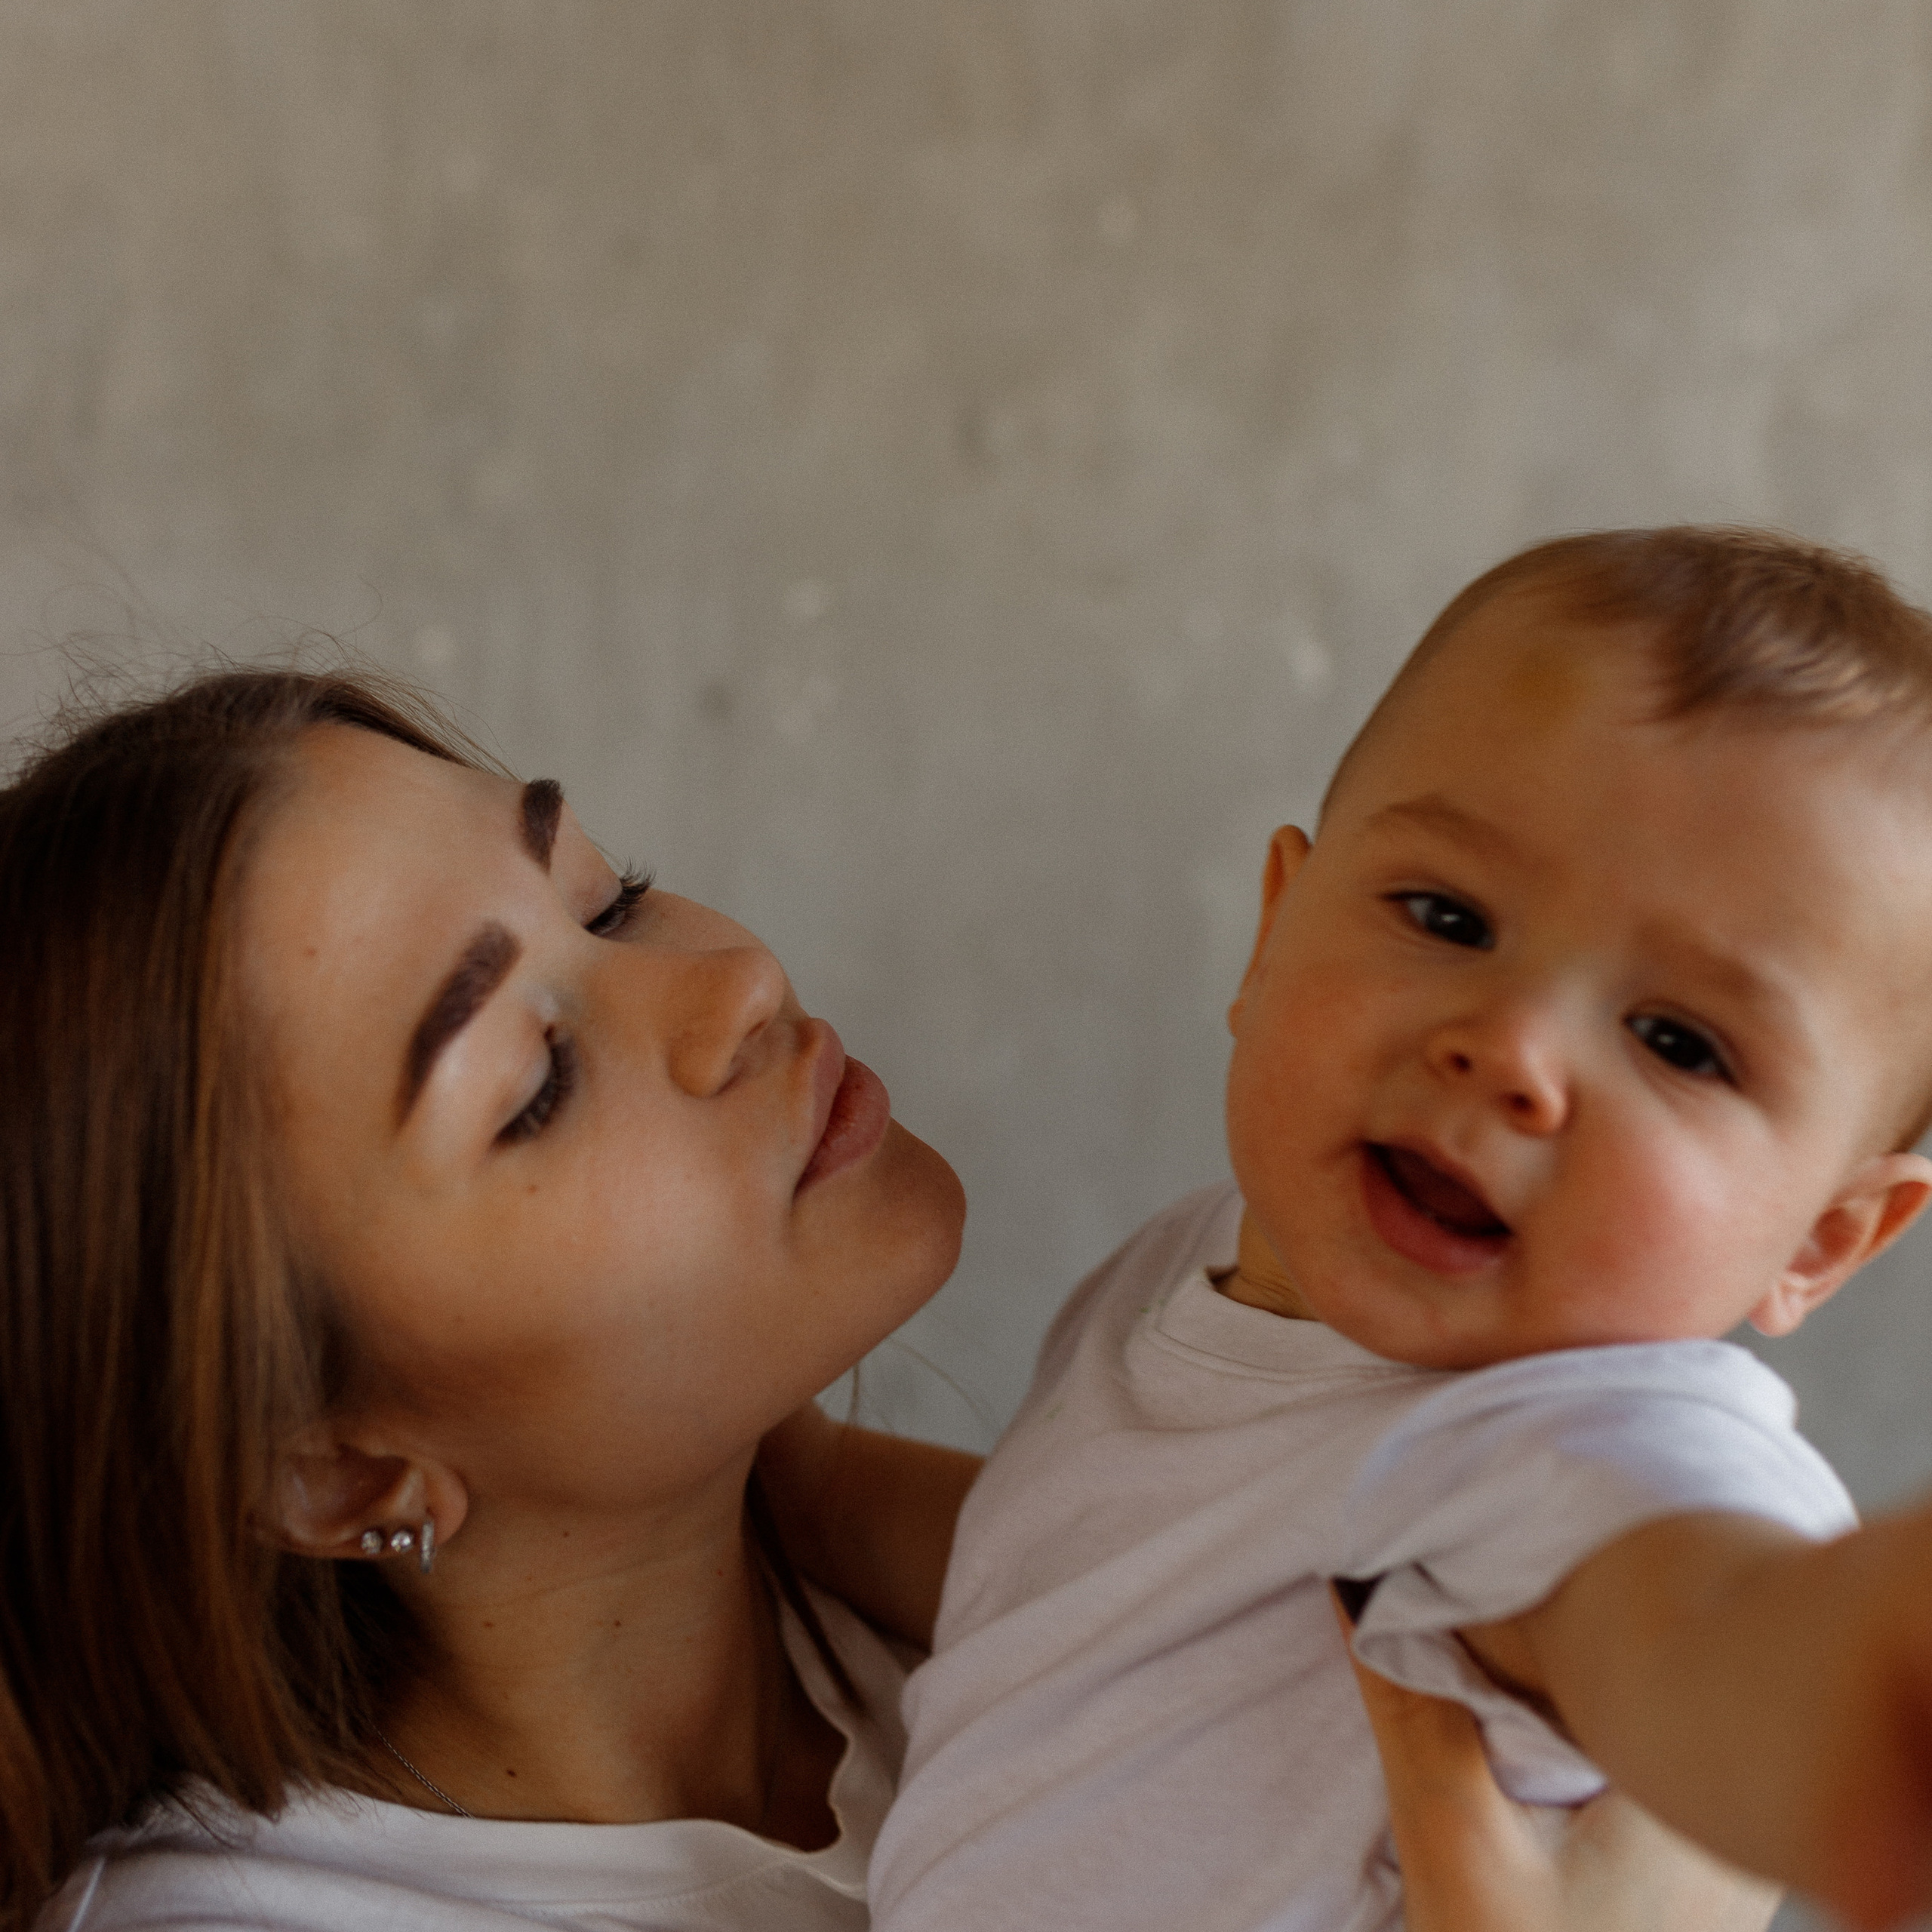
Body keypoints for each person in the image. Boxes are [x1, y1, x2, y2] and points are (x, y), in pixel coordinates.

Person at [0, 668, 1770, 1932]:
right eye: (530, 1076)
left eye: (607, 889)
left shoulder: (1031, 1615)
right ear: (328, 1464)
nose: (728, 986)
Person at [768, 528, 1932, 1932]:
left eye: (1680, 1042)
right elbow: (1060, 1580)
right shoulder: (1180, 1275)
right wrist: (792, 1473)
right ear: (1272, 935)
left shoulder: (1576, 1448)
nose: (1507, 1048)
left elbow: (1702, 1635)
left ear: (1820, 1239)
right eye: (1449, 915)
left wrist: (1862, 1690)